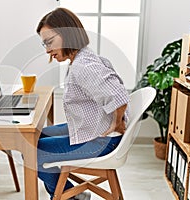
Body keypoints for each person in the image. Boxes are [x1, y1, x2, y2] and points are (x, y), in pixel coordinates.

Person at [36, 7, 129, 200]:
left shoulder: (83, 66)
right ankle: (70, 194)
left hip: (101, 141)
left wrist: (117, 123)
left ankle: (67, 196)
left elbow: (118, 96)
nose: (47, 50)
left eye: (50, 42)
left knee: (33, 152)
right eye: (44, 44)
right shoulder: (82, 57)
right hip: (91, 130)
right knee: (36, 136)